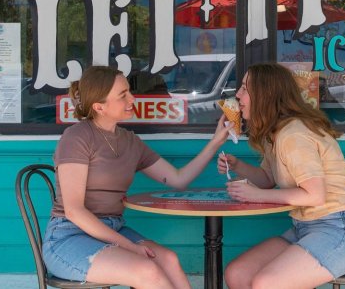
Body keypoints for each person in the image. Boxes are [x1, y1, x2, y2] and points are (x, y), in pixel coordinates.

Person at [42, 66, 229, 289]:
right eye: (123, 95)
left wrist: (216, 141)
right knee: (146, 271)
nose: (132, 98)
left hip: (114, 227)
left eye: (129, 91)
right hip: (69, 237)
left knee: (168, 260)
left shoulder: (130, 141)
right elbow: (74, 211)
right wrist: (130, 247)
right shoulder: (76, 137)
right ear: (99, 106)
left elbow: (178, 179)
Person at [220, 62, 345, 289]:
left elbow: (315, 196)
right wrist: (238, 165)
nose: (238, 95)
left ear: (266, 94)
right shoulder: (276, 133)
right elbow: (268, 179)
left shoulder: (293, 134)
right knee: (238, 273)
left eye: (245, 88)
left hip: (342, 229)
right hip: (304, 227)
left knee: (266, 283)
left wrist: (257, 195)